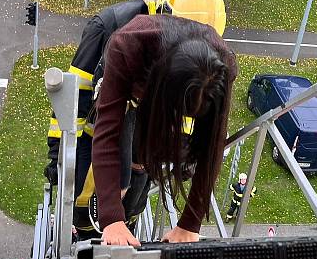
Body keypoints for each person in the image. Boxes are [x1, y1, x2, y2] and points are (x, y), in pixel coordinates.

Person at [43, 0, 227, 238]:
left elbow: (211, 138)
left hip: (148, 146)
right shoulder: (114, 30)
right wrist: (58, 158)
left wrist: (190, 220)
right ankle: (85, 229)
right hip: (97, 134)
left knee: (133, 200)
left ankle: (125, 225)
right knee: (84, 203)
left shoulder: (214, 63)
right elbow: (76, 101)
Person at [92, 14, 237, 246]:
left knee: (143, 160)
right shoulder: (127, 46)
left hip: (161, 88)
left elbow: (213, 145)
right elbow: (107, 131)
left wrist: (190, 223)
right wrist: (111, 219)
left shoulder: (222, 67)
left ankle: (132, 201)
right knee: (125, 158)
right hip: (130, 78)